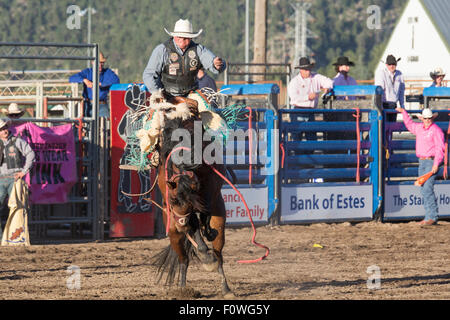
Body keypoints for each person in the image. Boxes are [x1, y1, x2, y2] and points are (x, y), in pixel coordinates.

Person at [142, 19, 225, 97]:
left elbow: (212, 61)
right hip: (166, 95)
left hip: (192, 95)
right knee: (158, 112)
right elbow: (149, 75)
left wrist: (217, 64)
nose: (181, 39)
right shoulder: (162, 50)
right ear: (174, 36)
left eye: (185, 37)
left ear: (191, 38)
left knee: (207, 110)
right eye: (179, 36)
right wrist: (157, 93)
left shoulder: (198, 50)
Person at [395, 107, 445, 226]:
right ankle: (430, 216)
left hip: (430, 162)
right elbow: (410, 124)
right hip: (422, 162)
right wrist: (404, 113)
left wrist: (436, 163)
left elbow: (440, 148)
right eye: (426, 118)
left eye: (429, 118)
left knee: (427, 188)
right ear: (422, 119)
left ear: (431, 118)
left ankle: (431, 216)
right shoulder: (419, 128)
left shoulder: (436, 131)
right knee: (424, 189)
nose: (427, 120)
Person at [0, 119, 35, 232]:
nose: (4, 131)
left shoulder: (17, 141)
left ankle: (18, 235)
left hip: (15, 178)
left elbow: (30, 154)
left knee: (18, 207)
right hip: (1, 179)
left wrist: (24, 171)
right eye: (1, 129)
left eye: (5, 128)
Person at [288, 56, 333, 141]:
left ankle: (309, 152)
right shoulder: (294, 82)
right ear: (300, 70)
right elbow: (294, 98)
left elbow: (329, 82)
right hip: (298, 110)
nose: (308, 71)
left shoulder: (316, 77)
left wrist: (327, 88)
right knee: (297, 137)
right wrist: (308, 97)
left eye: (309, 69)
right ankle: (299, 152)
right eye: (306, 69)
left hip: (310, 111)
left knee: (311, 137)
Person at [69, 51, 120, 118]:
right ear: (93, 63)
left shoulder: (108, 72)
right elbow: (72, 78)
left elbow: (116, 80)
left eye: (102, 63)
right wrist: (85, 80)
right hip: (88, 105)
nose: (100, 65)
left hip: (102, 105)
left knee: (106, 124)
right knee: (87, 125)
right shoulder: (87, 72)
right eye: (98, 63)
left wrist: (100, 84)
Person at [374, 54, 405, 122]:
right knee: (384, 127)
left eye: (393, 64)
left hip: (394, 105)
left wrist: (402, 105)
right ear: (386, 65)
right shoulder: (381, 73)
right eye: (389, 64)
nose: (391, 66)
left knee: (391, 127)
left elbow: (401, 91)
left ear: (396, 64)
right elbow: (379, 90)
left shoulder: (400, 74)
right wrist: (380, 107)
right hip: (384, 104)